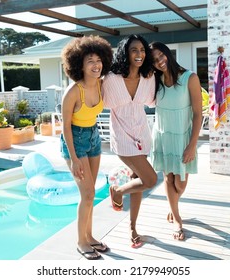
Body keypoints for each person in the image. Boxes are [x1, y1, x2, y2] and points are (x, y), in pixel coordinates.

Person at [60, 35, 113, 260]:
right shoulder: (73, 92)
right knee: (87, 193)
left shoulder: (102, 84)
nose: (96, 64)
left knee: (93, 193)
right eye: (90, 60)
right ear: (79, 64)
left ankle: (90, 236)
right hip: (75, 141)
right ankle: (81, 241)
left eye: (99, 60)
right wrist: (73, 158)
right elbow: (65, 129)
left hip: (93, 136)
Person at [102, 34, 157, 248]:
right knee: (150, 179)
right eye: (134, 50)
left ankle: (133, 229)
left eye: (143, 50)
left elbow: (152, 100)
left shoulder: (148, 77)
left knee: (140, 183)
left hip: (143, 135)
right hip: (123, 139)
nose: (139, 54)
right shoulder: (111, 79)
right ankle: (117, 191)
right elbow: (101, 101)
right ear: (125, 52)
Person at [149, 41, 202, 241]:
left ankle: (173, 204)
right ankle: (178, 220)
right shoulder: (155, 80)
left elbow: (198, 114)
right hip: (163, 136)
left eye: (161, 55)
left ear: (167, 53)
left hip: (183, 138)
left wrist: (192, 144)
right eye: (154, 60)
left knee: (180, 184)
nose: (159, 61)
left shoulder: (190, 78)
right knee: (168, 178)